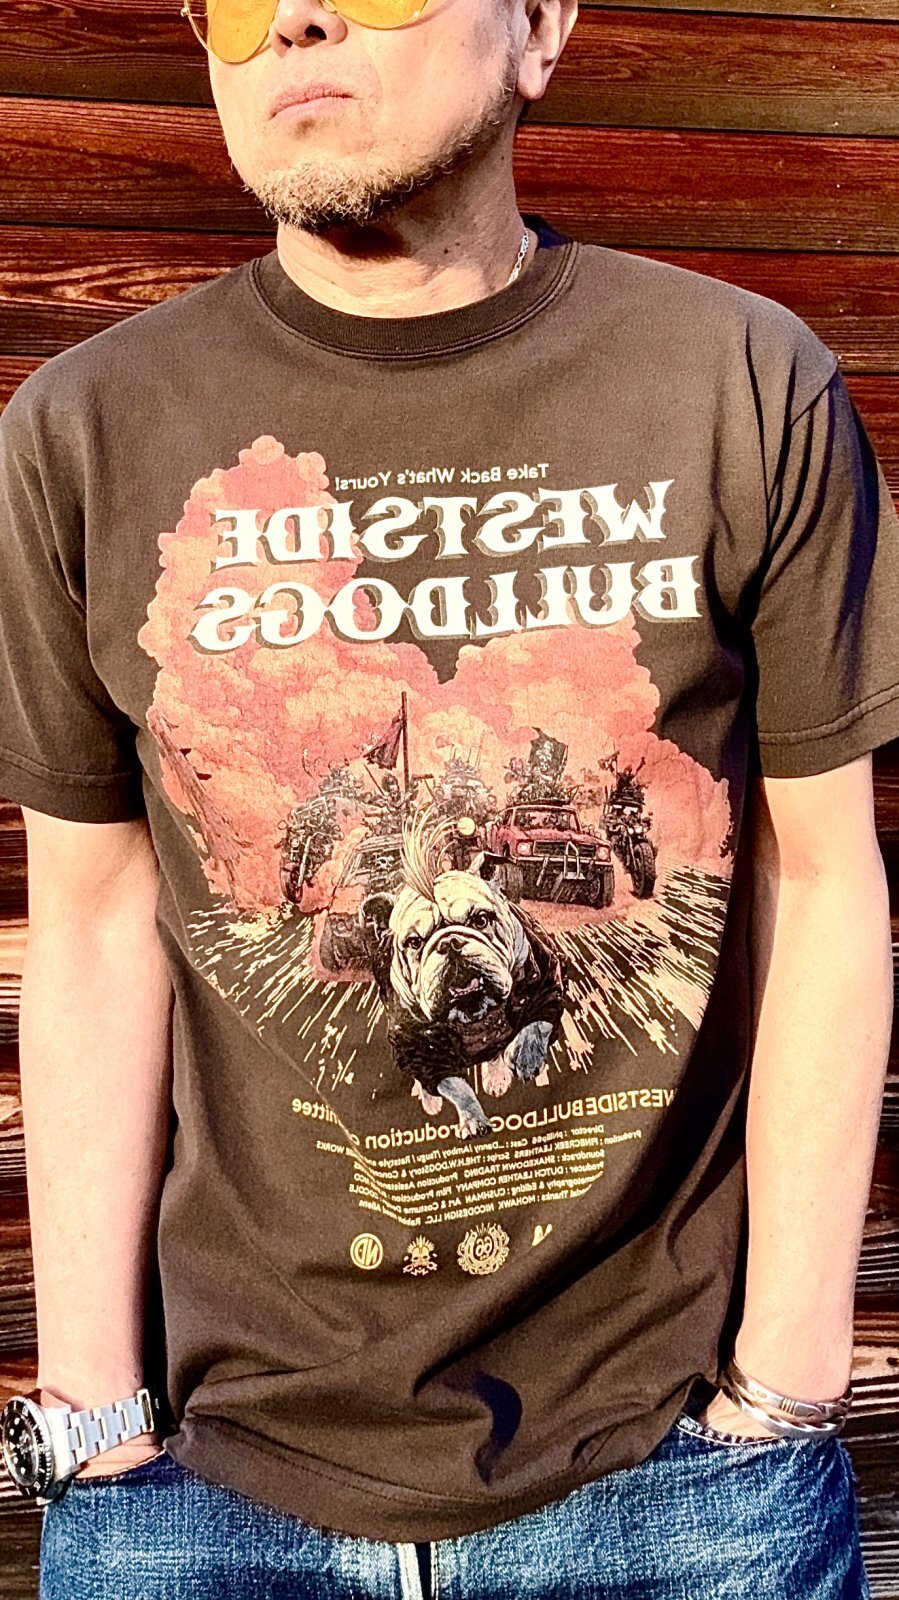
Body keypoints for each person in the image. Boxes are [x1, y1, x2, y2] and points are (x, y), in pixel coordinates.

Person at [0, 0, 893, 1593]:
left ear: (539, 26)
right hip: (204, 1492)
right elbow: (90, 916)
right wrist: (94, 1414)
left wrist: (787, 1383)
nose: (296, 22)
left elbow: (821, 876)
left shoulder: (737, 379)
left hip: (680, 1483)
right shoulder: (83, 431)